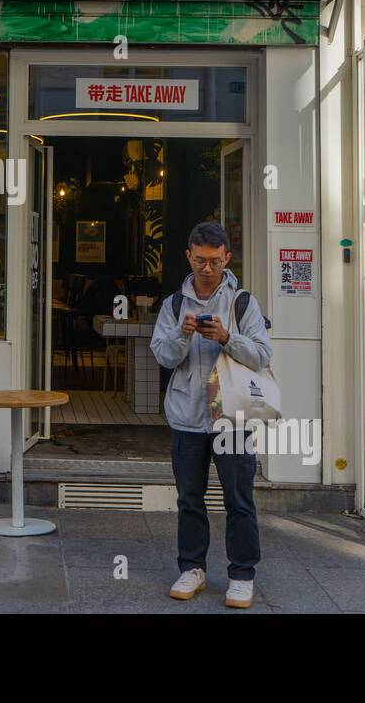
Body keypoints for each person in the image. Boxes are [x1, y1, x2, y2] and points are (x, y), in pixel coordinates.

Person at [149, 220, 272, 609]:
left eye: (215, 262)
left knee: (239, 498)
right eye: (200, 260)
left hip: (231, 419)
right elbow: (163, 356)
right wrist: (182, 334)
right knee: (189, 498)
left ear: (227, 258)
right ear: (189, 255)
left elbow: (263, 354)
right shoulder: (173, 303)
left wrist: (225, 337)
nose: (207, 269)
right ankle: (192, 568)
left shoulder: (243, 302)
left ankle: (241, 574)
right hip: (187, 416)